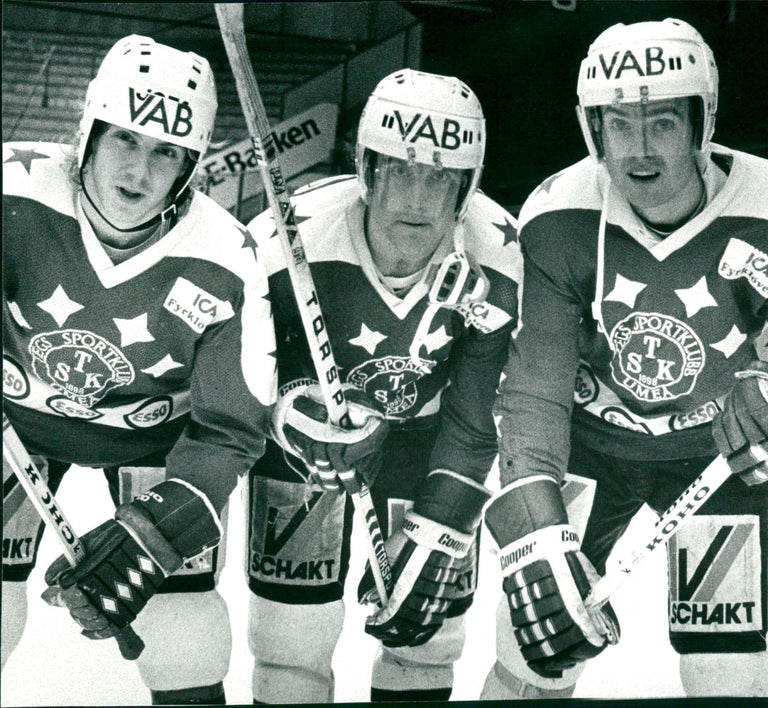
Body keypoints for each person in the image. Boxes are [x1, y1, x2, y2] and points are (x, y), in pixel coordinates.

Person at [480, 17, 768, 699]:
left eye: (661, 122)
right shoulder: (559, 216)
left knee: (732, 676)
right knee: (533, 657)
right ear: (593, 129)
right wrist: (534, 524)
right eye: (618, 124)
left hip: (723, 457)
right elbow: (536, 390)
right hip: (592, 449)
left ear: (701, 121)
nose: (639, 148)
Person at [2, 35, 276, 705]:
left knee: (181, 635)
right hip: (17, 423)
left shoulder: (226, 257)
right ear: (89, 133)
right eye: (125, 138)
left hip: (157, 439)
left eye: (167, 152)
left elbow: (232, 427)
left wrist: (160, 528)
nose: (139, 170)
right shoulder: (12, 191)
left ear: (190, 165)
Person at [244, 68, 521, 703]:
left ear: (467, 187)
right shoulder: (288, 238)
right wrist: (293, 420)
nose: (417, 199)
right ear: (368, 170)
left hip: (425, 445)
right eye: (400, 170)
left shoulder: (498, 257)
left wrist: (441, 523)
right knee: (290, 642)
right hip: (308, 447)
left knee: (426, 643)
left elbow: (478, 416)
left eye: (441, 177)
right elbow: (243, 377)